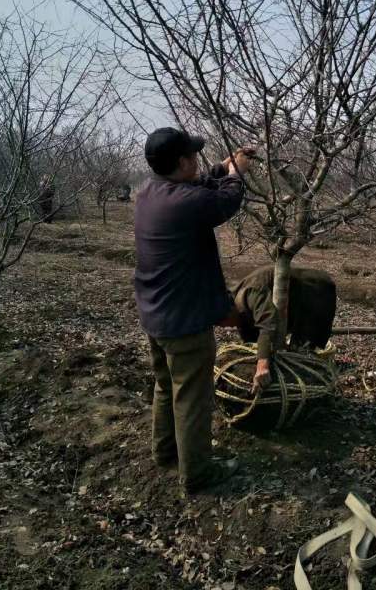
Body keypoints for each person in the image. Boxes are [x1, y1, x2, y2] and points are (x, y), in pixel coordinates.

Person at [134, 127, 253, 493]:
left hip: (156, 314)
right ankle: (198, 473)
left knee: (166, 386)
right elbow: (227, 199)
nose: (198, 162)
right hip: (184, 322)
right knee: (193, 399)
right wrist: (236, 173)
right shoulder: (185, 203)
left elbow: (200, 183)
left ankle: (165, 452)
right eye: (194, 157)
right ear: (182, 162)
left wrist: (224, 165)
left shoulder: (148, 192)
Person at [226, 265, 336, 372]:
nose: (227, 327)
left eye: (224, 322)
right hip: (291, 300)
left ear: (229, 310)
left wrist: (262, 364)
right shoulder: (236, 303)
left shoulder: (251, 292)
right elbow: (250, 337)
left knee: (301, 353)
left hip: (314, 291)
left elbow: (268, 324)